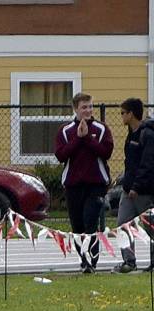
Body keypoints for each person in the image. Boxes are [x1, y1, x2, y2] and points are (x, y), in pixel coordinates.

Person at [54, 92, 114, 273]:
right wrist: (78, 138)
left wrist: (88, 138)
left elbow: (106, 152)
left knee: (90, 222)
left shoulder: (101, 129)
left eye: (90, 106)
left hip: (95, 184)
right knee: (77, 225)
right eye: (84, 107)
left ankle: (92, 262)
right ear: (76, 109)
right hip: (73, 185)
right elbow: (61, 155)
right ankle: (83, 260)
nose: (88, 110)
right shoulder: (65, 131)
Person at [114, 97, 154, 272]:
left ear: (131, 114)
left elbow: (147, 164)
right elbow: (130, 163)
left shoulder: (147, 134)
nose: (121, 116)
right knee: (123, 223)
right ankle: (129, 262)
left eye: (123, 113)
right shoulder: (131, 134)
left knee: (150, 226)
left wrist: (136, 186)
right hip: (127, 189)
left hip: (143, 191)